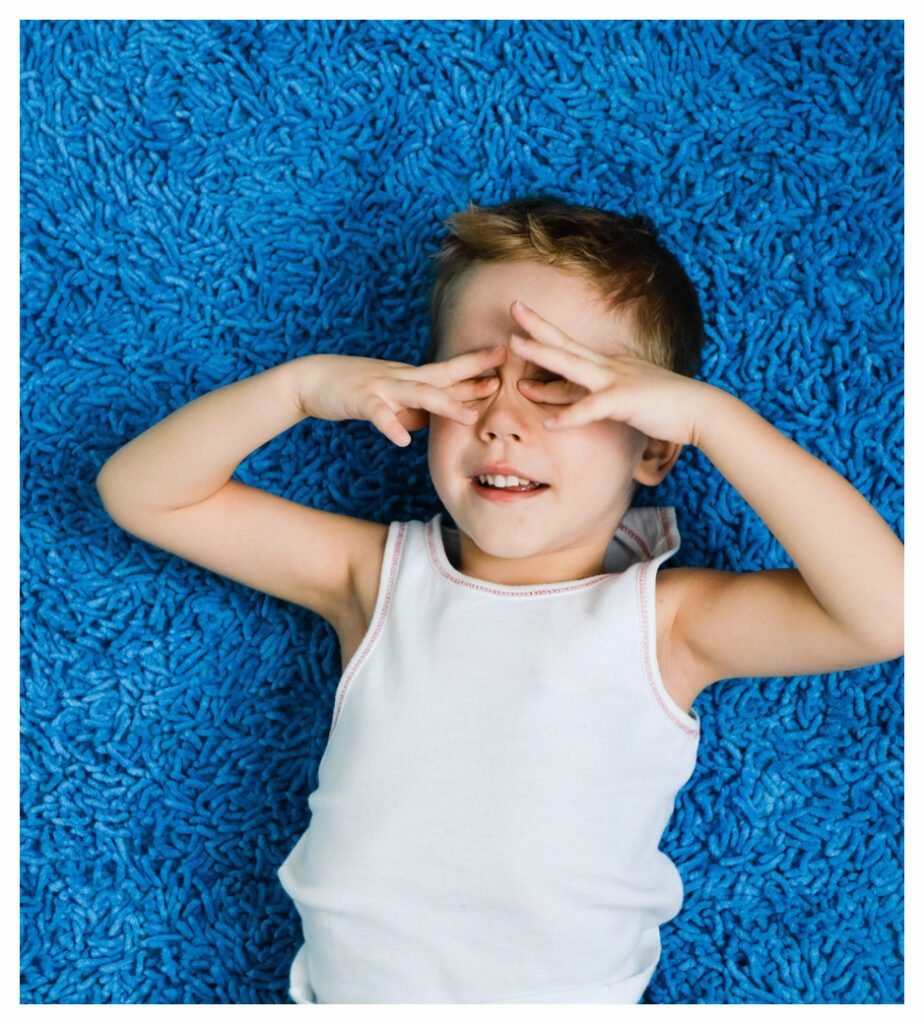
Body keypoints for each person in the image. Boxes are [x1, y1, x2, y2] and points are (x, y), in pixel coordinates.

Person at [95, 195, 904, 1004]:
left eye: (559, 384)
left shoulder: (664, 622)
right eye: (475, 378)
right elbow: (143, 493)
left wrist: (712, 419)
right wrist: (301, 389)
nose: (502, 421)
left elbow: (885, 613)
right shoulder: (378, 579)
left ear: (653, 441)